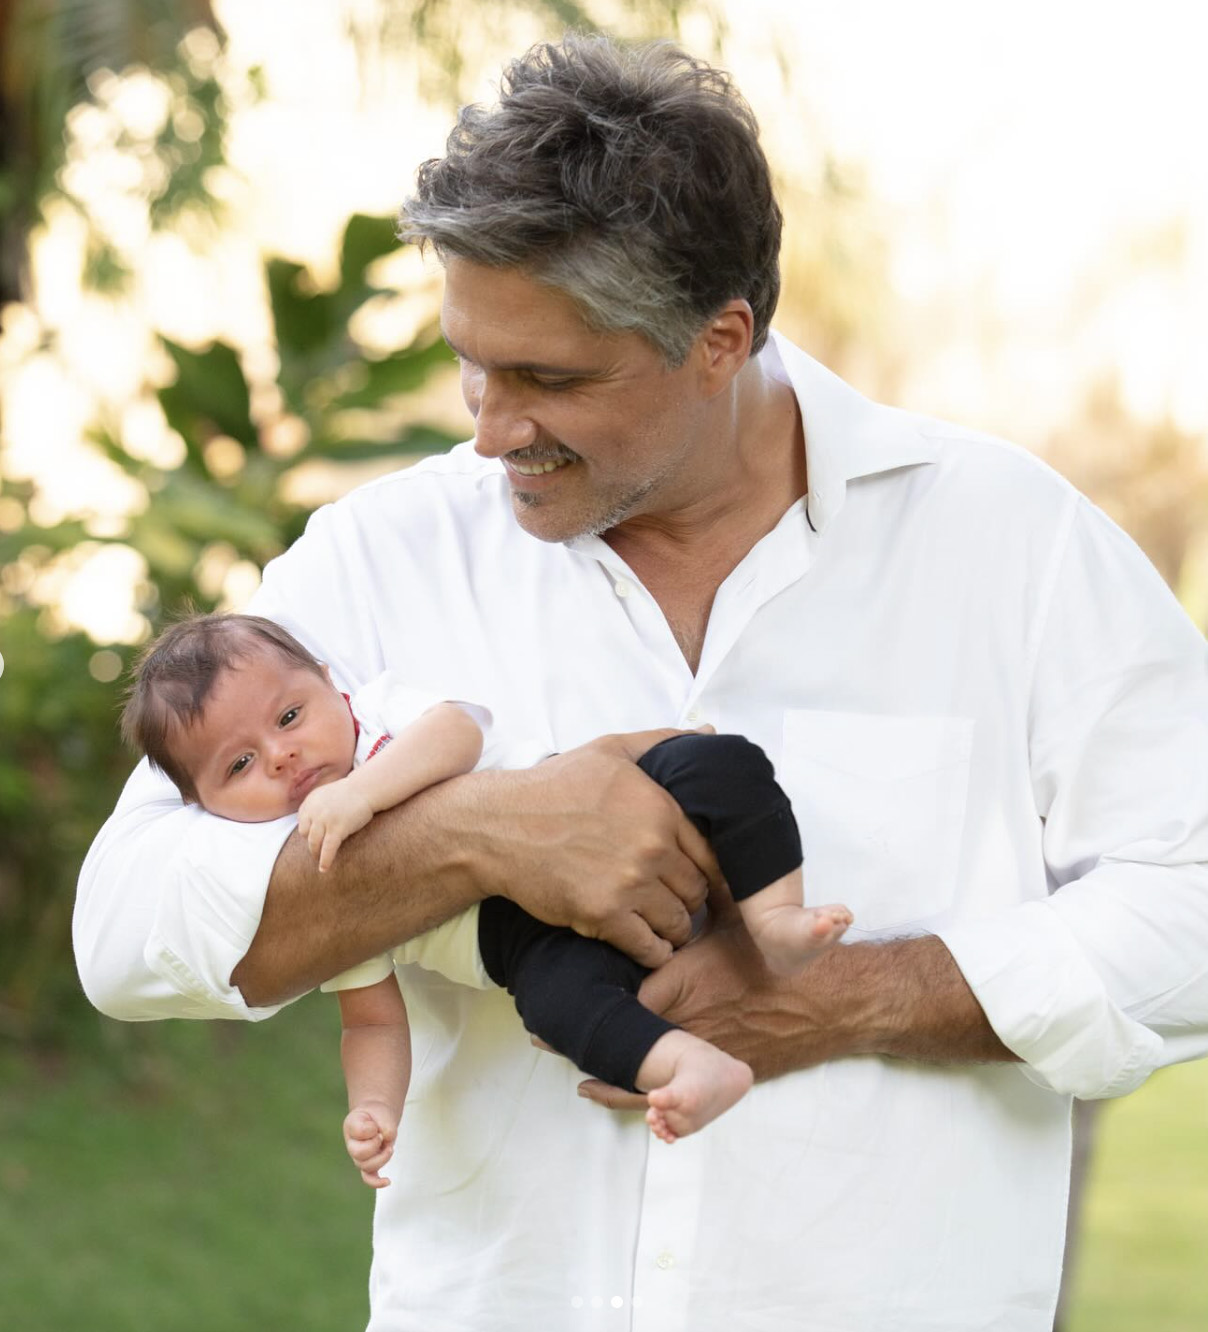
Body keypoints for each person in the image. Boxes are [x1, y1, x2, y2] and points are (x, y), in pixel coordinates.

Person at [74, 34, 1208, 1332]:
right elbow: (124, 924)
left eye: (548, 380)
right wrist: (475, 832)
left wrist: (850, 999)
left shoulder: (1010, 542)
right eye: (473, 363)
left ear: (721, 337)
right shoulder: (386, 552)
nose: (489, 430)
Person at [119, 611, 850, 1168]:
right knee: (563, 1010)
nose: (282, 755)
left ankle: (776, 918)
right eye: (239, 764)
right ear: (203, 809)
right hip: (523, 941)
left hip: (603, 806)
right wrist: (373, 1108)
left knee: (716, 762)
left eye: (289, 716)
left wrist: (365, 795)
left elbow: (459, 734)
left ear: (327, 681)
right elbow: (371, 1021)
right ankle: (689, 1065)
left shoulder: (379, 717)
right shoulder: (304, 868)